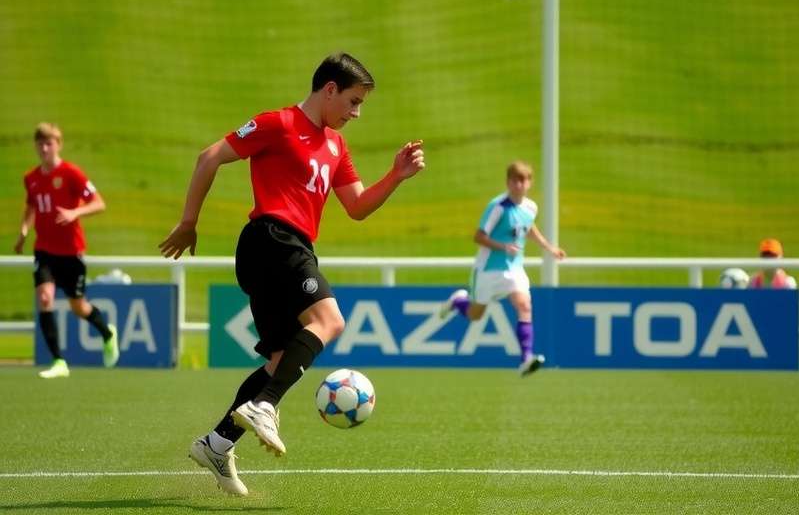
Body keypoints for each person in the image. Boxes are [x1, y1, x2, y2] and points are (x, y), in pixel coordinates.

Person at [159, 53, 425, 496]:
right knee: (330, 320)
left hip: (288, 248)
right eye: (354, 102)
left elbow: (357, 206)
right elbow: (209, 157)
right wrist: (189, 221)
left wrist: (395, 176)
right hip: (272, 238)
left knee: (281, 360)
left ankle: (217, 444)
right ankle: (264, 405)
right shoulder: (278, 124)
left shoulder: (336, 146)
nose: (356, 113)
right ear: (330, 90)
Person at [438, 160, 565, 376]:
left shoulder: (530, 207)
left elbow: (528, 228)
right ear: (508, 182)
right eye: (515, 180)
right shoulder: (498, 207)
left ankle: (525, 359)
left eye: (523, 180)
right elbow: (479, 237)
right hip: (488, 270)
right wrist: (504, 247)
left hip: (515, 270)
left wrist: (549, 248)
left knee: (524, 305)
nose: (519, 185)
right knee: (475, 315)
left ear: (530, 183)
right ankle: (458, 301)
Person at [14, 122, 119, 379]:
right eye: (40, 144)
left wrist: (75, 212)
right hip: (44, 251)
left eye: (49, 143)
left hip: (71, 252)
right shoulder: (31, 178)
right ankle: (59, 361)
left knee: (78, 307)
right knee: (45, 299)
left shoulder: (71, 173)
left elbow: (99, 203)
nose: (44, 148)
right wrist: (24, 231)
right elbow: (31, 206)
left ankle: (107, 333)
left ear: (58, 145)